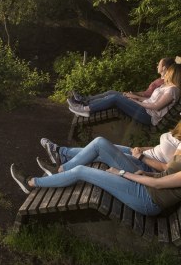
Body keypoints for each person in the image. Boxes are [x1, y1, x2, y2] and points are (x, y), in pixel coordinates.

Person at [10, 141, 181, 216]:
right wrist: (146, 173)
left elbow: (158, 184)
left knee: (81, 171)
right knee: (98, 151)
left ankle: (31, 183)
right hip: (146, 186)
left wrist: (121, 173)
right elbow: (164, 175)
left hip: (148, 199)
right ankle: (59, 166)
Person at [37, 121, 181, 176]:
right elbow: (162, 148)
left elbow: (168, 168)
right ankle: (61, 153)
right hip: (144, 155)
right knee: (104, 147)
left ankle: (60, 169)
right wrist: (142, 149)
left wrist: (141, 157)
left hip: (147, 167)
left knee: (100, 146)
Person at [67, 62, 181, 125]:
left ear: (173, 74)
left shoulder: (173, 90)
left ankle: (85, 108)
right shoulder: (167, 86)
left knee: (115, 98)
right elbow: (151, 101)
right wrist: (135, 98)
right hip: (145, 110)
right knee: (115, 95)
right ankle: (85, 106)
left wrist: (134, 100)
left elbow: (156, 106)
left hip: (148, 116)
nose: (166, 74)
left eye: (168, 72)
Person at [70, 57, 175, 106]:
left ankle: (85, 103)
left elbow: (149, 97)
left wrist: (134, 95)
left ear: (164, 68)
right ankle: (85, 100)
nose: (157, 65)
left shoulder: (164, 84)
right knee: (111, 92)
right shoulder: (161, 80)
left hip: (142, 101)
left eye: (159, 64)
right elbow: (147, 93)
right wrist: (133, 93)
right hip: (140, 99)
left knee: (111, 95)